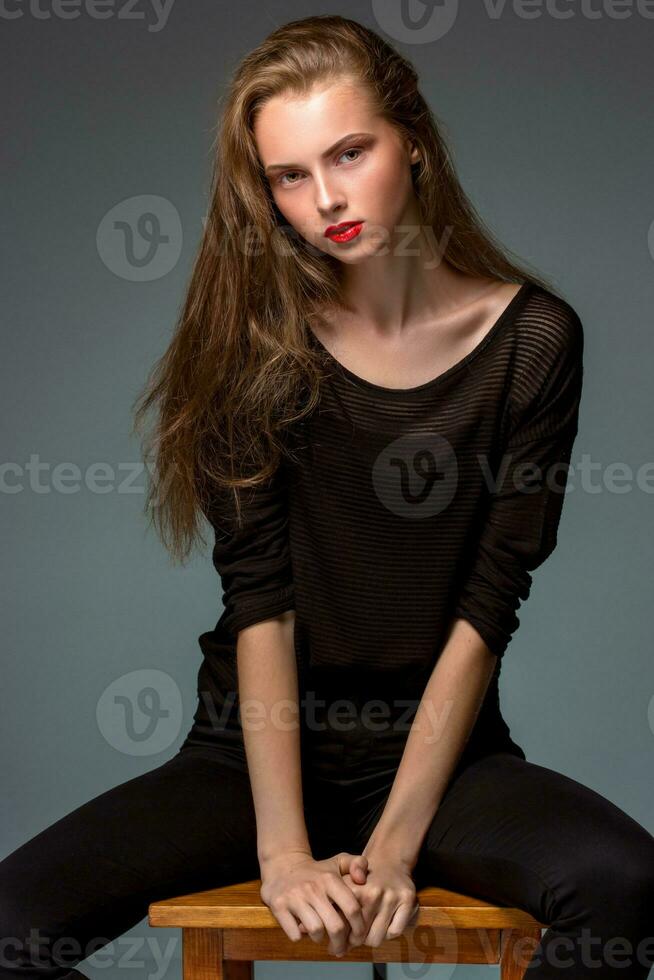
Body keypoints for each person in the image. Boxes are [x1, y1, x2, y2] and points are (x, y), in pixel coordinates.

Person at [2, 14, 653, 980]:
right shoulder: (254, 341)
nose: (327, 198)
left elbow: (490, 601)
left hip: (442, 756)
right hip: (250, 758)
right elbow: (259, 601)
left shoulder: (534, 342)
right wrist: (283, 854)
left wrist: (394, 844)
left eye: (350, 152)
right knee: (10, 923)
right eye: (290, 175)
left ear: (415, 141)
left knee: (624, 884)